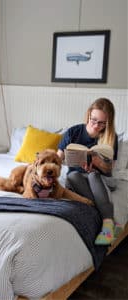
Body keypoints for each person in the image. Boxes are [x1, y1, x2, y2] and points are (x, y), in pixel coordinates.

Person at [57, 98, 120, 245]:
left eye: (102, 123)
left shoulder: (111, 137)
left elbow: (110, 169)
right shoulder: (73, 132)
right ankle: (111, 224)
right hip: (77, 177)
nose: (97, 126)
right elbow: (58, 158)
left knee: (92, 175)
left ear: (108, 122)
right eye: (93, 120)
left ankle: (107, 224)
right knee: (73, 176)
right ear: (88, 115)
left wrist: (97, 162)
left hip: (101, 178)